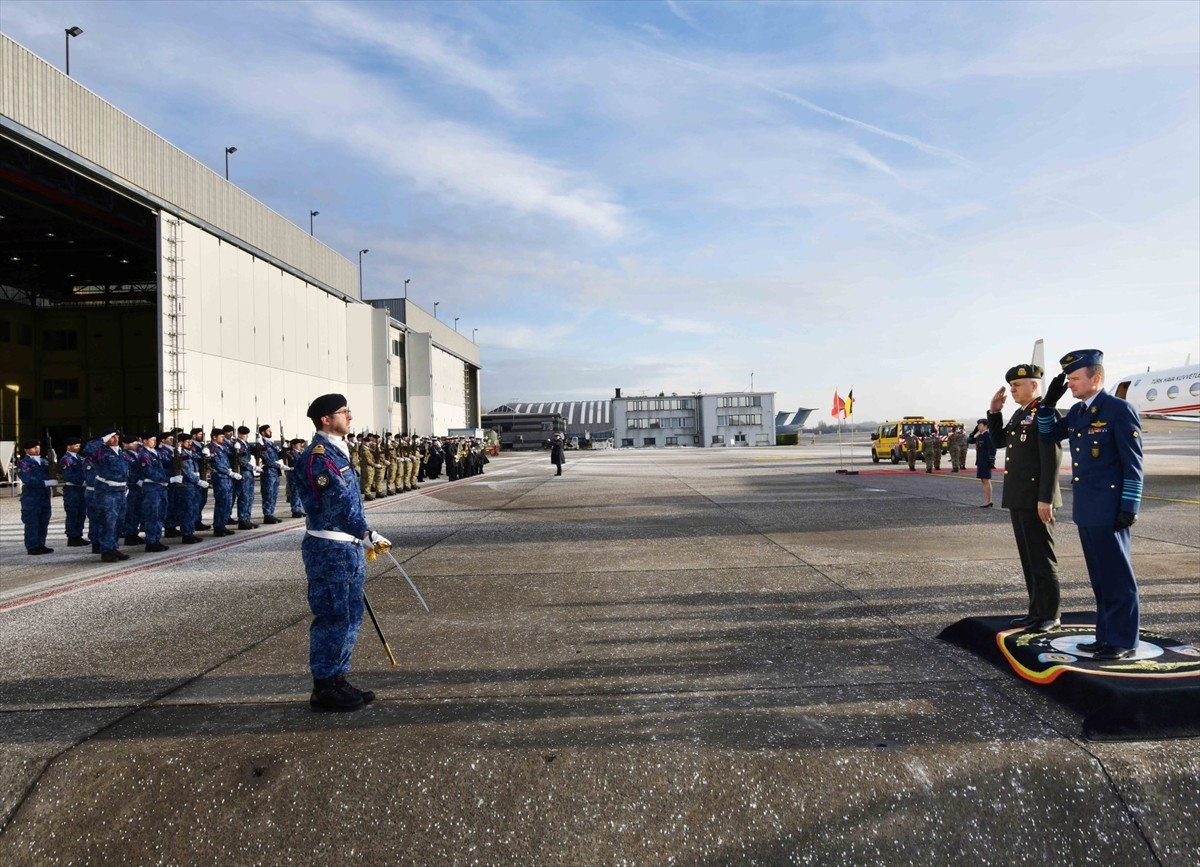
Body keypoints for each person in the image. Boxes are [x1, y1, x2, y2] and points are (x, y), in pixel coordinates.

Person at [1038, 349, 1144, 660]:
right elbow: (1047, 435)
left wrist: (1130, 506)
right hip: (1087, 508)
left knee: (1118, 578)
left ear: (1095, 379)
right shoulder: (1078, 412)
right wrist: (1047, 404)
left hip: (1111, 510)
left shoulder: (1119, 409)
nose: (1069, 384)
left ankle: (1123, 640)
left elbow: (1133, 463)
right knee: (1100, 578)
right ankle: (1105, 636)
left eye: (1074, 379)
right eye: (1067, 379)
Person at [296, 394, 389, 712]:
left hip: (346, 547)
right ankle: (324, 687)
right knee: (333, 617)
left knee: (350, 616)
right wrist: (366, 532)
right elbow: (337, 502)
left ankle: (337, 677)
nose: (349, 416)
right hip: (330, 548)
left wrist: (361, 535)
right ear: (325, 419)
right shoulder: (319, 458)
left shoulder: (338, 452)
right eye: (343, 412)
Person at [988, 363, 1063, 631]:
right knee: (1029, 558)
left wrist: (1047, 498)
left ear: (1034, 385)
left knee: (1042, 558)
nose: (1012, 390)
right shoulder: (1021, 414)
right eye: (1010, 386)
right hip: (1019, 497)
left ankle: (1051, 615)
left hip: (1037, 499)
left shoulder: (1045, 413)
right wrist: (994, 412)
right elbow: (998, 442)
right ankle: (1036, 612)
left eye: (1017, 385)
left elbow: (1051, 458)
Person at [92, 430, 131, 562]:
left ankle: (113, 547)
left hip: (121, 490)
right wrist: (103, 439)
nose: (115, 440)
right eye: (112, 437)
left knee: (119, 522)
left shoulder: (120, 452)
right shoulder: (101, 451)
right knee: (107, 521)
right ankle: (106, 550)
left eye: (117, 437)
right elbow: (88, 448)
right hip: (107, 492)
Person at [17, 439, 57, 554]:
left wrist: (53, 461)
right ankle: (32, 546)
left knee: (43, 521)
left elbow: (53, 471)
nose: (37, 449)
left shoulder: (44, 461)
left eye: (38, 447)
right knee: (32, 522)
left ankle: (41, 544)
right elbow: (27, 479)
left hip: (44, 497)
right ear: (26, 450)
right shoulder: (23, 463)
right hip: (31, 498)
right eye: (34, 447)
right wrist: (45, 483)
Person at [58, 437, 89, 546]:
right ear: (69, 446)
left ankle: (78, 535)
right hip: (72, 490)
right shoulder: (66, 459)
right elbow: (68, 475)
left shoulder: (80, 458)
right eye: (75, 445)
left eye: (78, 445)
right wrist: (82, 482)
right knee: (73, 513)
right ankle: (72, 537)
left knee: (81, 513)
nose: (78, 447)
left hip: (81, 490)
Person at [257, 424, 284, 524]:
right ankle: (267, 515)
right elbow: (267, 460)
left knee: (274, 494)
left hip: (275, 473)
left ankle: (271, 514)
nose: (271, 432)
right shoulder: (262, 444)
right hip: (268, 473)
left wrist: (285, 449)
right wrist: (280, 466)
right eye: (268, 431)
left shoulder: (271, 443)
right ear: (262, 433)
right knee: (268, 494)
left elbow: (278, 456)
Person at [967, 419, 996, 506]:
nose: (978, 427)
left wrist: (991, 461)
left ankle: (989, 501)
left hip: (986, 461)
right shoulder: (980, 435)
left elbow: (992, 449)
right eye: (978, 425)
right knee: (983, 480)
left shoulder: (988, 436)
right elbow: (969, 440)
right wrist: (973, 432)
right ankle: (988, 501)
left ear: (986, 426)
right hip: (980, 460)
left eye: (980, 425)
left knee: (986, 480)